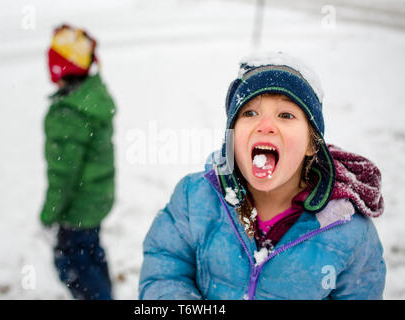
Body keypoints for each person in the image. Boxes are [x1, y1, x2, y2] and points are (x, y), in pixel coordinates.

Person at [139, 51, 386, 300]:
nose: (265, 125)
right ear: (231, 139)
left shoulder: (348, 230)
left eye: (286, 115)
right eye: (249, 113)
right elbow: (164, 270)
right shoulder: (195, 197)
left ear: (312, 144)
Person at [40, 24, 116, 300]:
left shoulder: (68, 114)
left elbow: (63, 174)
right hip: (97, 198)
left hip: (77, 208)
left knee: (72, 264)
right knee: (91, 252)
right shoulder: (93, 98)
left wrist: (49, 214)